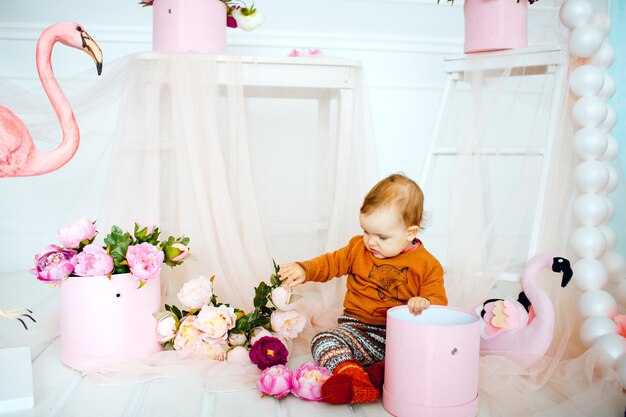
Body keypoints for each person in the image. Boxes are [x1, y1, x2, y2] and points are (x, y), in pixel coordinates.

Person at [279, 173, 447, 405]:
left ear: (411, 232)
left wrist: (425, 302)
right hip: (355, 329)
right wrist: (304, 269)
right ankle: (354, 377)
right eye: (366, 231)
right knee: (323, 340)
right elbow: (330, 263)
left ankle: (383, 373)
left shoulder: (428, 265)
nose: (371, 242)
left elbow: (438, 303)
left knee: (423, 361)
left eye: (382, 236)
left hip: (398, 337)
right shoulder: (357, 249)